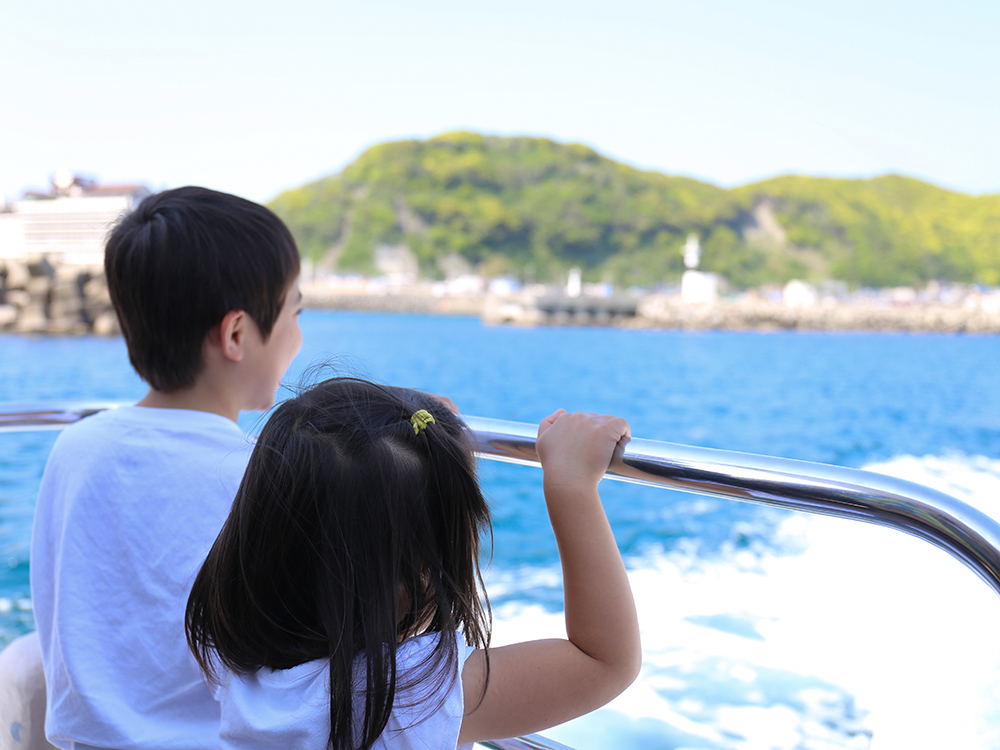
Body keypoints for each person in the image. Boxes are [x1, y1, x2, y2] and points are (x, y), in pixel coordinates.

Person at [185, 377, 641, 750]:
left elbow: (340, 487)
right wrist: (571, 487)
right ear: (423, 572)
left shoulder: (231, 655)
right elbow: (604, 661)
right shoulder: (403, 694)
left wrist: (419, 435)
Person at [30, 186, 304, 750]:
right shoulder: (264, 476)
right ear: (235, 335)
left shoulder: (75, 449)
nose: (299, 335)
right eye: (295, 312)